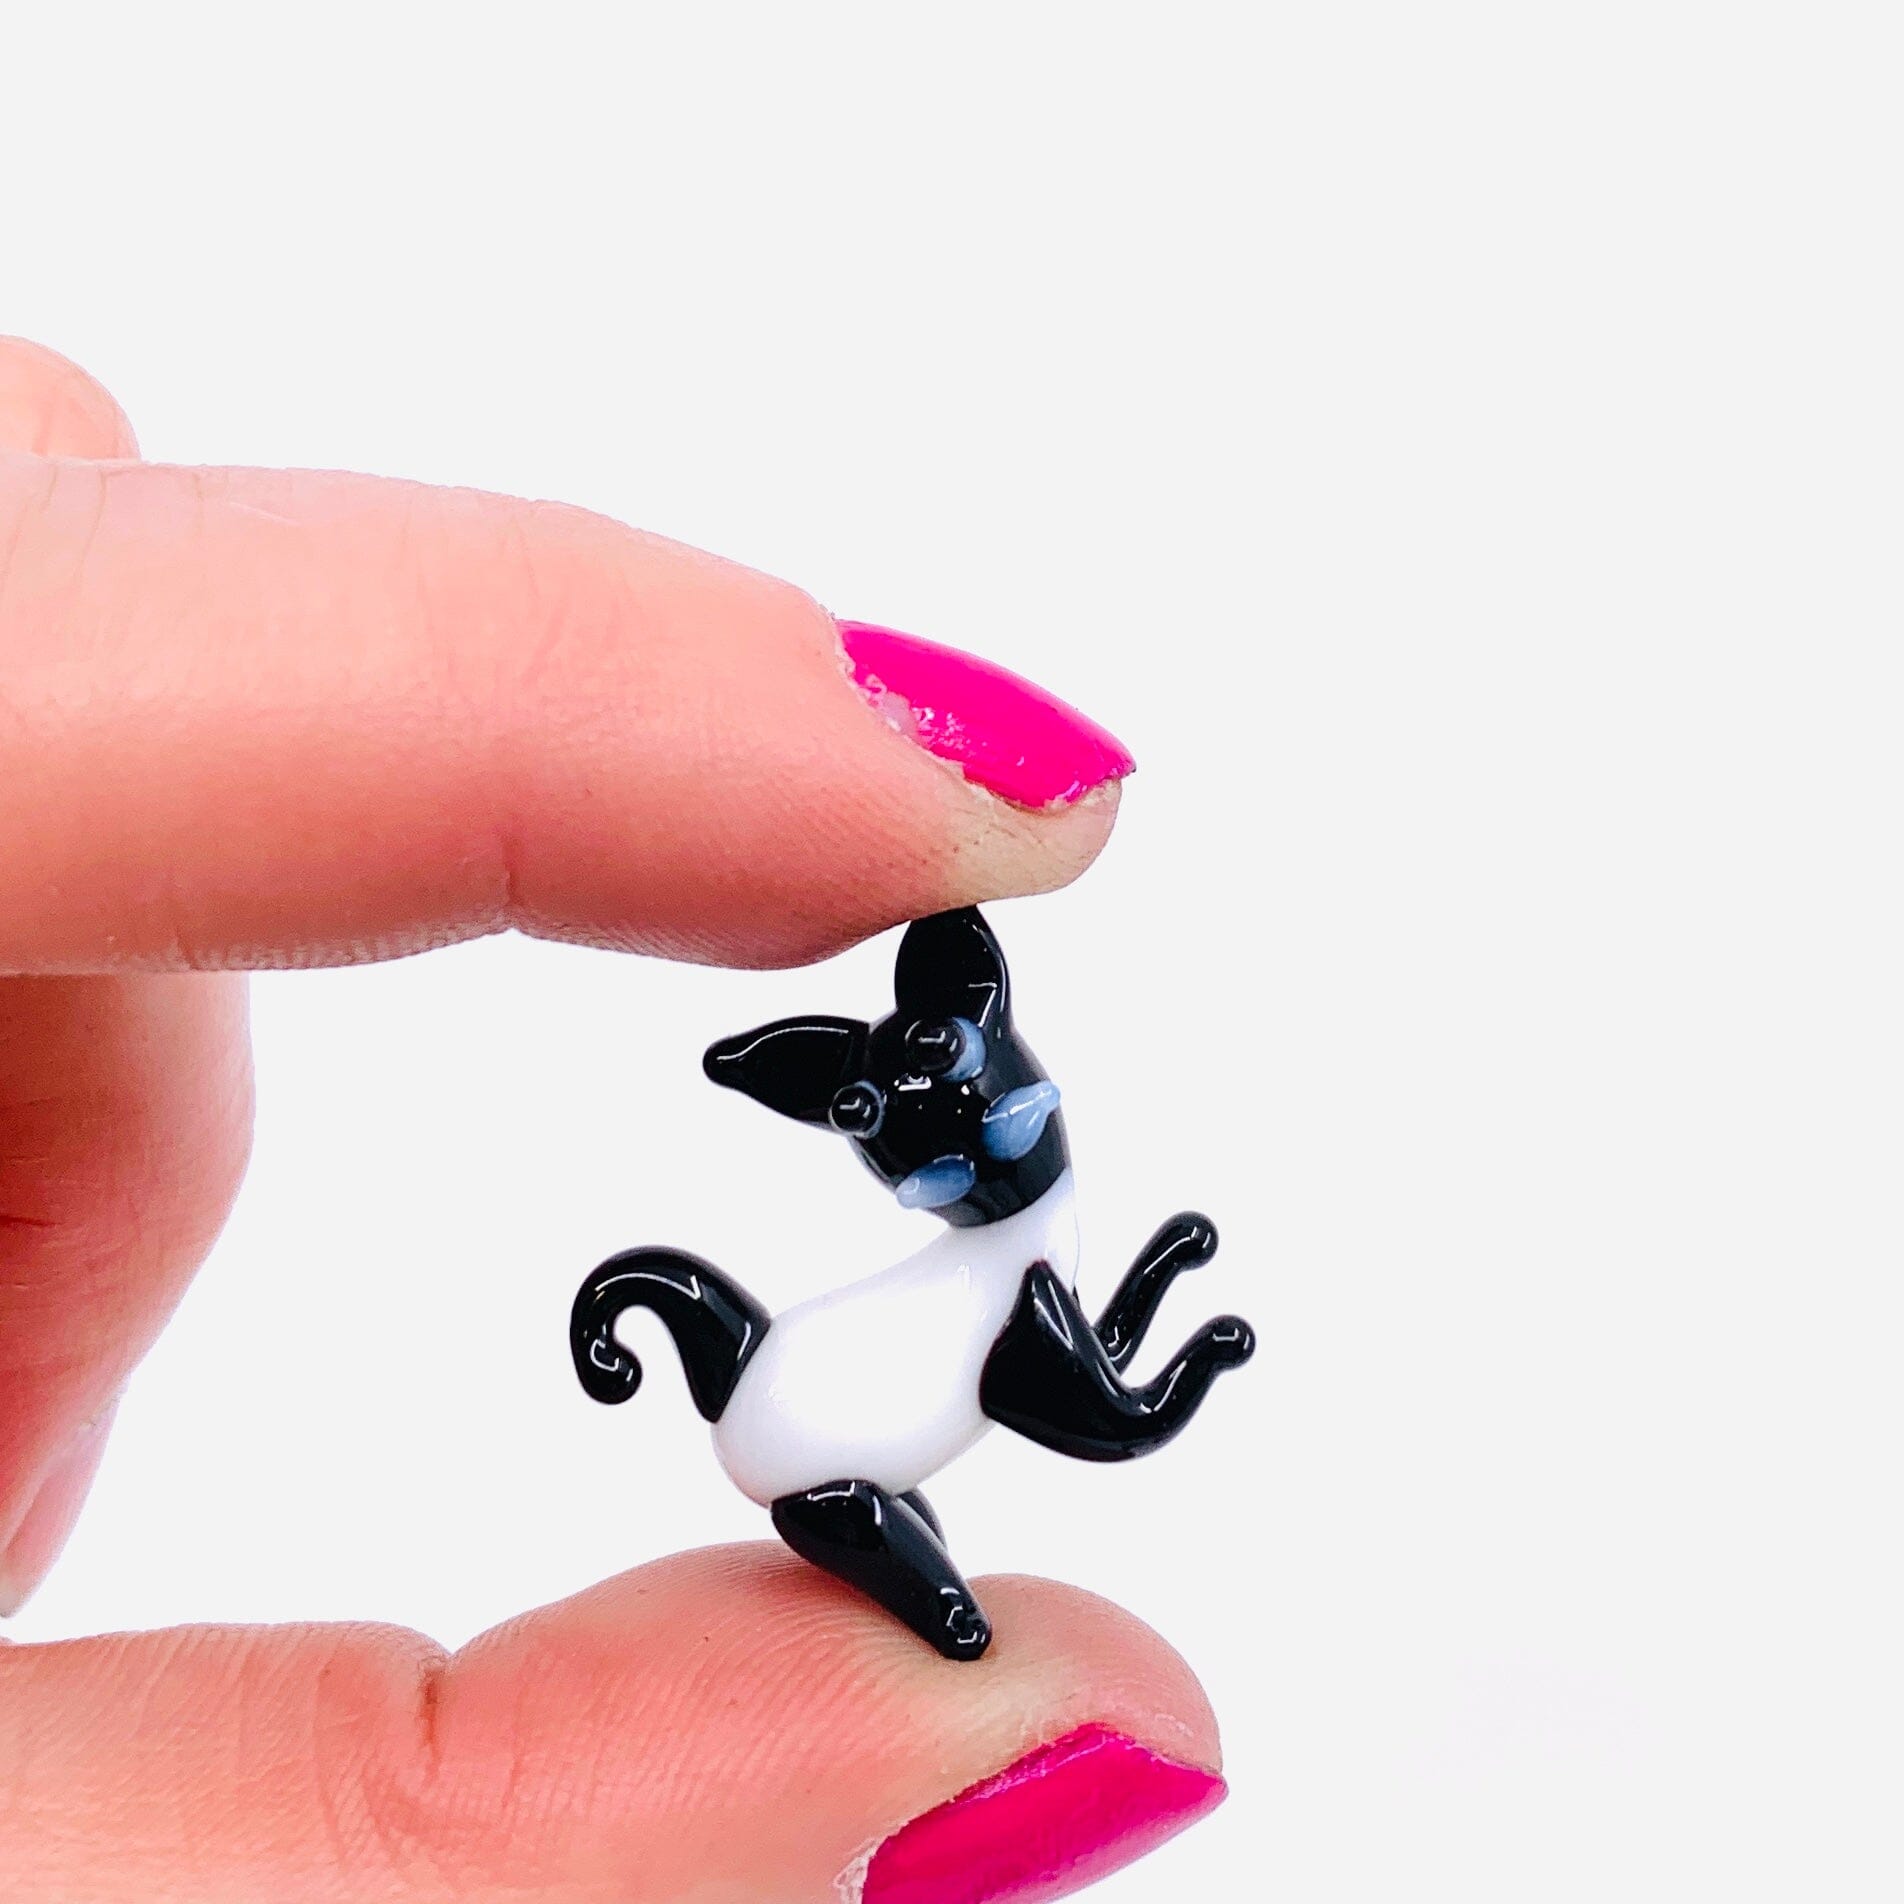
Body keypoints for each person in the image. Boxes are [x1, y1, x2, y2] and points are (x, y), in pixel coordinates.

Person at [0, 338, 1226, 1903]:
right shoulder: (1003, 1292)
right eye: (911, 1128)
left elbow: (1086, 1380)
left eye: (969, 1100)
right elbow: (1113, 1418)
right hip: (827, 1474)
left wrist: (1160, 1293)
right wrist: (1184, 1346)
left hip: (823, 1414)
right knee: (958, 1624)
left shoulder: (1004, 1282)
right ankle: (942, 1610)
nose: (981, 1134)